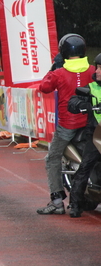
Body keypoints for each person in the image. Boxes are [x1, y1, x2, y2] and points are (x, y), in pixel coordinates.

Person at [36, 33, 95, 215]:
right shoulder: (93, 70)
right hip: (90, 123)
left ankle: (56, 201)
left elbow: (44, 87)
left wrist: (54, 67)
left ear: (63, 52)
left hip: (68, 126)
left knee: (52, 158)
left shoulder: (59, 73)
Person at [67, 53, 101, 217]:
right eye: (98, 67)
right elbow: (72, 102)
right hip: (96, 134)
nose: (99, 71)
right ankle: (75, 204)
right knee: (85, 166)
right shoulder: (90, 88)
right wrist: (84, 104)